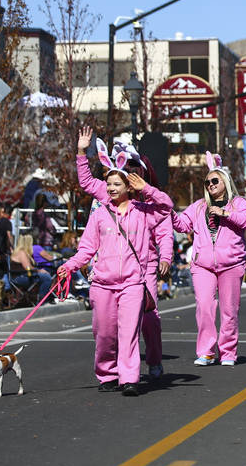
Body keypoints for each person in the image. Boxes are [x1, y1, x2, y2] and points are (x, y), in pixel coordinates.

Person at [57, 163, 172, 397]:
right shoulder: (99, 214)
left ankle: (129, 378)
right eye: (108, 184)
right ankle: (107, 373)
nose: (110, 188)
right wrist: (69, 266)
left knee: (129, 332)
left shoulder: (144, 212)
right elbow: (87, 248)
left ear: (129, 187)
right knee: (104, 333)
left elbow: (167, 206)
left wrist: (147, 188)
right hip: (102, 284)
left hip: (132, 284)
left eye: (116, 184)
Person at [77, 128, 172, 378]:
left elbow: (165, 227)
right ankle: (116, 368)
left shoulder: (147, 202)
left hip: (145, 265)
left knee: (149, 317)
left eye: (134, 168)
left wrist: (165, 256)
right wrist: (81, 152)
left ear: (141, 171)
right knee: (109, 325)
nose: (129, 172)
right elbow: (86, 181)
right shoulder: (110, 190)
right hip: (110, 269)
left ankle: (153, 360)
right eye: (125, 168)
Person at [171, 151, 246, 367]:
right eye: (207, 182)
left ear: (225, 181)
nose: (210, 185)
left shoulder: (238, 203)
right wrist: (168, 211)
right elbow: (182, 224)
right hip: (203, 265)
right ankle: (206, 351)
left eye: (214, 180)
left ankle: (227, 352)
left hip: (231, 264)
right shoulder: (199, 206)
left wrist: (225, 213)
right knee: (204, 306)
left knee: (229, 310)